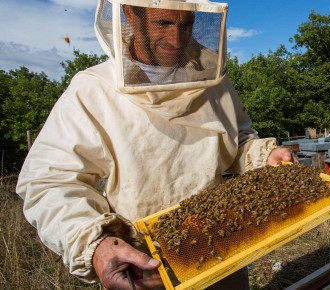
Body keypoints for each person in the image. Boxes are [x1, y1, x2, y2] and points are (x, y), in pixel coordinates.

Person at [16, 1, 296, 289]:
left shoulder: (213, 78)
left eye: (185, 24)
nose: (176, 39)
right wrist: (95, 244)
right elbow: (49, 182)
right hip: (142, 266)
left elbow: (237, 142)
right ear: (130, 14)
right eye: (163, 23)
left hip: (224, 242)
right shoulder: (92, 91)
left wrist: (264, 155)